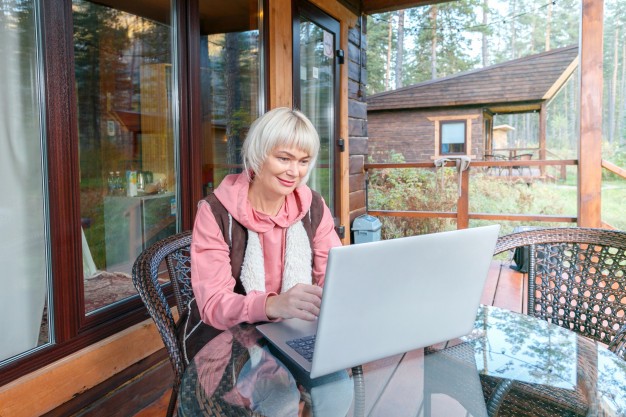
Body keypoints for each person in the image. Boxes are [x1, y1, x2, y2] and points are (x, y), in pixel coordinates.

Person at [190, 107, 342, 331]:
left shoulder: (313, 207)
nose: (294, 172)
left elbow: (332, 278)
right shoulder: (215, 211)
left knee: (333, 366)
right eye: (284, 158)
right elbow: (213, 304)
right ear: (258, 154)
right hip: (235, 336)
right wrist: (272, 305)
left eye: (303, 161)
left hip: (300, 328)